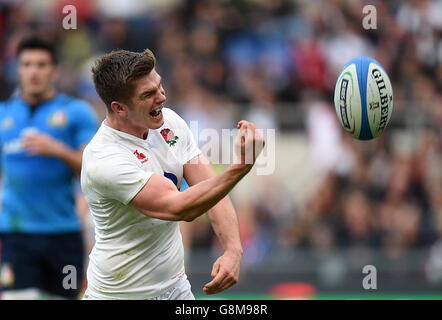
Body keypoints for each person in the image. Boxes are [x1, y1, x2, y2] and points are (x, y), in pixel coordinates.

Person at [81, 49, 265, 300]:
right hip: (120, 295)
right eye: (148, 94)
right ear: (119, 108)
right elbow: (180, 208)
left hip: (175, 290)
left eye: (159, 85)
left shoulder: (170, 123)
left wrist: (233, 249)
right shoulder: (104, 159)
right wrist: (242, 166)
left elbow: (212, 188)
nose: (162, 97)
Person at [0, 36, 98, 299]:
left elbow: (93, 172)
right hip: (15, 234)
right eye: (27, 64)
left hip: (63, 233)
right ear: (18, 69)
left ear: (54, 71)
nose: (34, 71)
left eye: (41, 64)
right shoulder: (3, 114)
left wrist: (58, 150)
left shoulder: (77, 112)